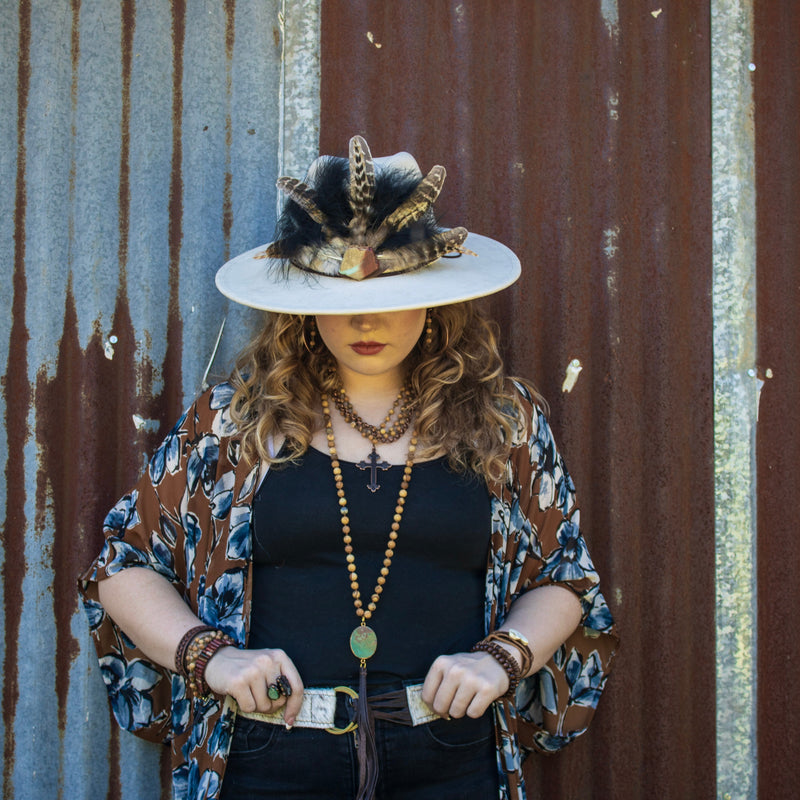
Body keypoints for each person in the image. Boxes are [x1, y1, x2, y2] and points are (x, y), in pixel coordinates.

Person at [80, 136, 618, 800]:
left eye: (394, 290)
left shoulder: (505, 420)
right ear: (308, 301)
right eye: (340, 298)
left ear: (435, 294)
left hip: (452, 760)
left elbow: (563, 578)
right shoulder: (236, 420)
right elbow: (123, 565)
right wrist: (209, 655)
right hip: (267, 761)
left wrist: (504, 658)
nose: (366, 318)